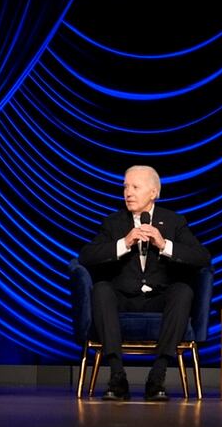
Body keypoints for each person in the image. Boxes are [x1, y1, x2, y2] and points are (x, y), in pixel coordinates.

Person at [79, 165, 212, 401]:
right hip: (123, 299)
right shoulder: (114, 222)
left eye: (135, 187)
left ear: (153, 193)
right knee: (101, 289)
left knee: (183, 291)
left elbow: (202, 258)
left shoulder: (174, 221)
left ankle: (157, 376)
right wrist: (124, 242)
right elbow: (86, 256)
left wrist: (164, 245)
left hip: (159, 300)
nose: (128, 193)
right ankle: (117, 377)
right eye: (125, 187)